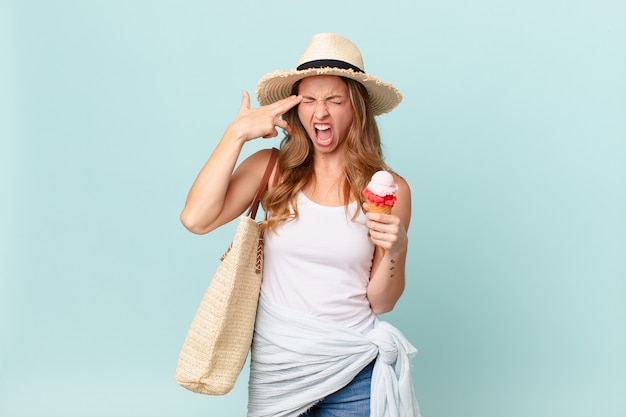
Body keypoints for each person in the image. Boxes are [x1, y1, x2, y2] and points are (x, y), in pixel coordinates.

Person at [180, 33, 421, 417]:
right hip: (278, 369)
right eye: (309, 100)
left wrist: (396, 249)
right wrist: (236, 134)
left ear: (356, 109)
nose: (319, 113)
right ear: (295, 107)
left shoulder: (387, 190)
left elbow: (382, 301)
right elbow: (196, 219)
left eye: (334, 100)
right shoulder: (271, 169)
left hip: (352, 369)